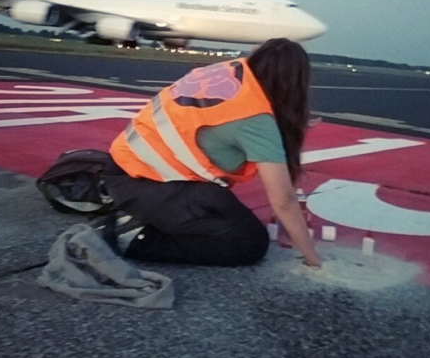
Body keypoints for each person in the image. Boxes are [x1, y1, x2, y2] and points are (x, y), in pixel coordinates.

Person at [101, 38, 322, 269]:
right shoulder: (254, 121)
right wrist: (312, 259)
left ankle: (144, 216)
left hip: (129, 166)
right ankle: (136, 236)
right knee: (249, 243)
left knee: (222, 208)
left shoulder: (233, 72)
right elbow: (283, 200)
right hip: (145, 184)